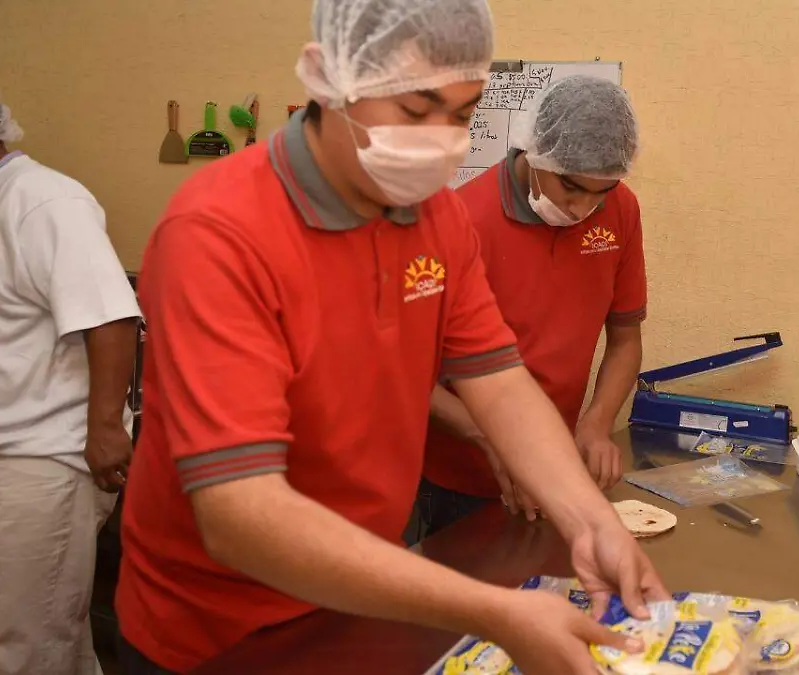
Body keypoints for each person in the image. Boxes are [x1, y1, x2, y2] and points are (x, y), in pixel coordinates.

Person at [113, 1, 667, 673]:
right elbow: (240, 514)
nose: (441, 138)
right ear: (328, 81)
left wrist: (591, 523)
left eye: (461, 114)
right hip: (217, 631)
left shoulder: (435, 220)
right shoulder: (218, 234)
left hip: (365, 594)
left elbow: (499, 384)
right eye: (414, 109)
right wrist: (494, 609)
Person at [419, 75, 646, 536]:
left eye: (601, 192)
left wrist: (597, 423)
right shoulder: (461, 222)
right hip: (458, 477)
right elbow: (409, 372)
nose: (584, 208)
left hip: (555, 473)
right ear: (536, 153)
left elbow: (624, 340)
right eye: (572, 188)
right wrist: (497, 441)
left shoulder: (620, 210)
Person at [0, 86, 141, 674]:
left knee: (27, 641)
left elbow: (110, 315)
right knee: (44, 628)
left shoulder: (43, 200)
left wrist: (106, 426)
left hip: (41, 459)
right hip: (9, 445)